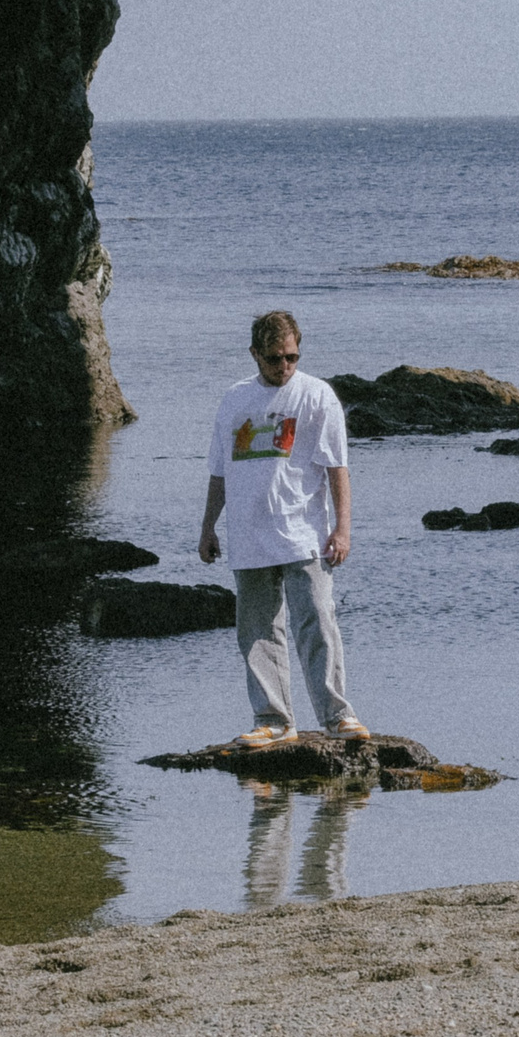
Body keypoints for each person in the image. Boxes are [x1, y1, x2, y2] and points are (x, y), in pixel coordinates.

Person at [199, 310, 368, 747]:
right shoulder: (235, 399)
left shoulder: (317, 396)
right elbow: (220, 470)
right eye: (275, 358)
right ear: (255, 354)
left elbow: (337, 468)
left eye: (292, 357)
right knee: (256, 630)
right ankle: (273, 720)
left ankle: (337, 716)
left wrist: (343, 530)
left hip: (304, 534)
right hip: (248, 535)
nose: (284, 367)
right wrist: (208, 528)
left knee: (317, 623)